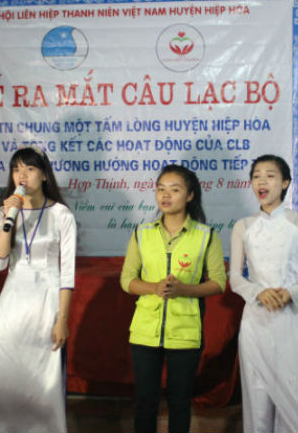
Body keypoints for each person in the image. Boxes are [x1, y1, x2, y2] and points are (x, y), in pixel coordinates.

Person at [120, 164, 226, 433]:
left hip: (185, 331)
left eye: (174, 190)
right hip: (145, 331)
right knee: (145, 402)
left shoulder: (206, 236)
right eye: (160, 189)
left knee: (180, 402)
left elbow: (218, 283)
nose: (165, 195)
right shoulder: (142, 233)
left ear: (190, 195)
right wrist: (154, 288)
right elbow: (127, 280)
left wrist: (184, 290)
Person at [230, 154, 298, 432]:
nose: (262, 182)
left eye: (270, 175)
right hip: (256, 320)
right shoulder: (243, 226)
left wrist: (292, 293)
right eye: (256, 176)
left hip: (292, 318)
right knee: (257, 397)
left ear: (285, 182)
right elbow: (235, 276)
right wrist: (258, 293)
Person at [0, 146, 76, 433]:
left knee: (42, 379)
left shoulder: (61, 214)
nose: (22, 175)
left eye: (30, 169)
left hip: (46, 300)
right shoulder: (2, 213)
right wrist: (8, 217)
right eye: (16, 169)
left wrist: (62, 319)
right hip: (13, 300)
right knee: (6, 371)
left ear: (44, 175)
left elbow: (67, 273)